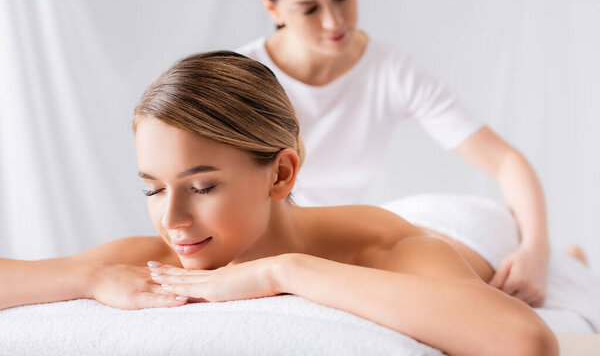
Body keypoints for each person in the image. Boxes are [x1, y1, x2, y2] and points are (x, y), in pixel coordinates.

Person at [0, 51, 557, 355]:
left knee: (521, 249)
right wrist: (90, 277)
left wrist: (283, 272)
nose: (171, 221)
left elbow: (526, 341)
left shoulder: (383, 242)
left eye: (202, 187)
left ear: (282, 173)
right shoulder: (165, 251)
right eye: (152, 188)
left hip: (460, 226)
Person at [237, 0, 550, 307]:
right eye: (309, 9)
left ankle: (565, 261)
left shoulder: (390, 70)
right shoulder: (241, 80)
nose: (334, 21)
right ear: (273, 10)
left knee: (450, 277)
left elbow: (505, 161)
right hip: (272, 240)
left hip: (345, 235)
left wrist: (536, 252)